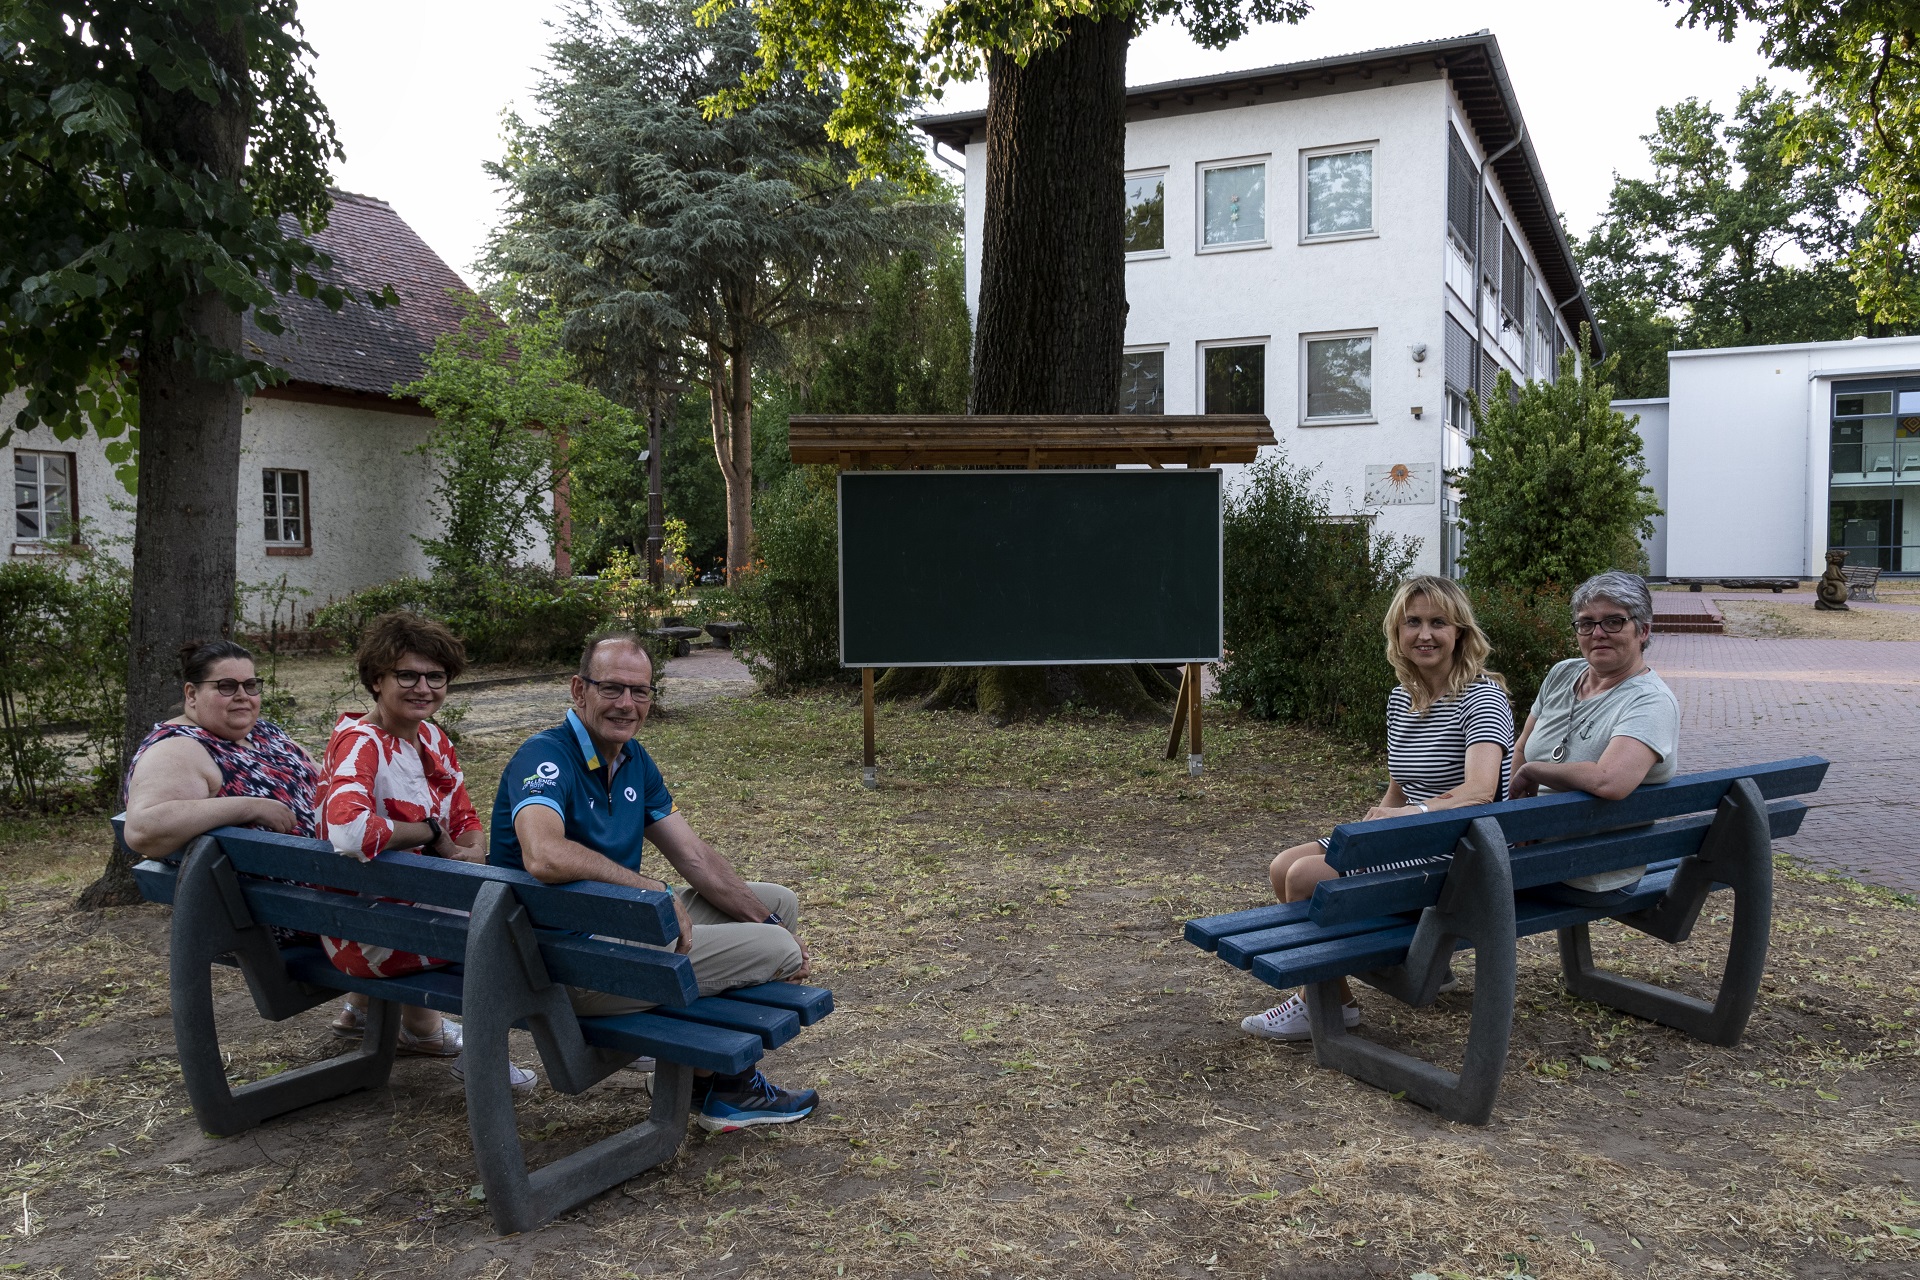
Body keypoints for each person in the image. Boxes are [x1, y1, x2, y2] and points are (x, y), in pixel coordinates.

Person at [491, 630, 819, 1132]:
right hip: (568, 966)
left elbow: (694, 858)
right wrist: (649, 890)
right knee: (775, 951)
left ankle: (700, 1074)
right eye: (612, 688)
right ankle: (724, 1090)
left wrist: (765, 917)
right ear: (579, 691)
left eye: (640, 691)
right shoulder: (545, 757)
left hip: (611, 935)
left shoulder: (632, 761)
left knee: (777, 903)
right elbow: (544, 855)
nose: (628, 704)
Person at [1242, 575, 1515, 1043]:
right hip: (1414, 836)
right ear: (1397, 633)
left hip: (1460, 851)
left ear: (1460, 633)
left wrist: (1406, 817)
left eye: (1438, 623)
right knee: (1283, 865)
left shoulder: (1481, 697)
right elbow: (1400, 785)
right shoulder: (1401, 698)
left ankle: (1320, 1004)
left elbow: (1480, 792)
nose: (1424, 634)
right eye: (1413, 622)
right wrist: (1370, 828)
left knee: (1307, 877)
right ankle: (1336, 997)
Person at [317, 613, 536, 1092]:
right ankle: (481, 1056)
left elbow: (464, 818)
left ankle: (386, 1017)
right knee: (517, 929)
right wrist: (428, 832)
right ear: (377, 680)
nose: (423, 687)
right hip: (369, 934)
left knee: (501, 905)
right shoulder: (362, 744)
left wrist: (473, 852)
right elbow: (350, 832)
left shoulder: (432, 738)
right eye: (407, 675)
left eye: (435, 677)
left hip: (404, 910)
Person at [1509, 570, 1680, 903]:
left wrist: (1533, 772)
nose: (1598, 633)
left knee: (1442, 885)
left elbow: (1609, 781)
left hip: (1592, 869)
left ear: (1642, 631)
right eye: (1586, 623)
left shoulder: (1650, 701)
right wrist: (1521, 821)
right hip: (1533, 851)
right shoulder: (1563, 674)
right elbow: (1521, 747)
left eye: (1613, 622)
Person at [123, 640, 320, 858]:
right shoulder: (178, 748)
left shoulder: (262, 731)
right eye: (226, 686)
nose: (243, 695)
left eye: (251, 685)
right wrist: (251, 808)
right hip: (303, 884)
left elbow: (318, 772)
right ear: (191, 694)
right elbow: (143, 829)